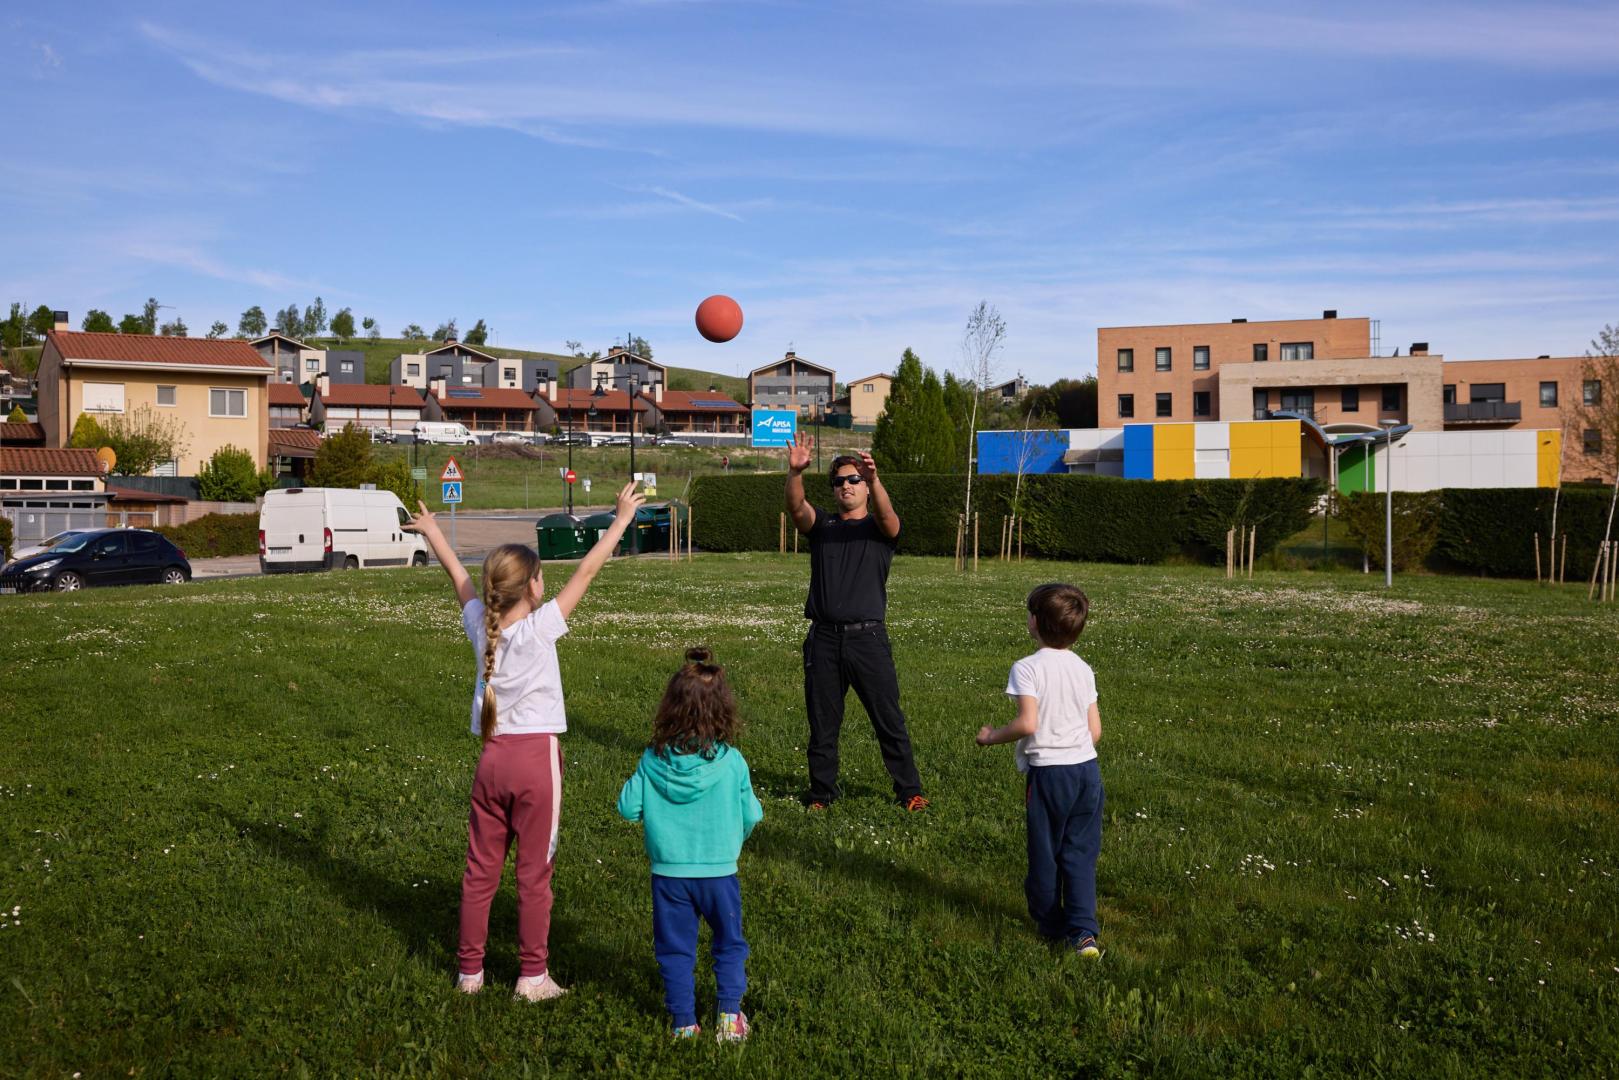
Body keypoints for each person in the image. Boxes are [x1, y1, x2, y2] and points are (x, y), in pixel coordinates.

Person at [405, 479, 645, 1000]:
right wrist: (622, 520)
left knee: (479, 872)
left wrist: (432, 532)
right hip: (538, 762)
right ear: (533, 587)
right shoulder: (540, 629)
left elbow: (458, 576)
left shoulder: (480, 627)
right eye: (541, 578)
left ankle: (469, 974)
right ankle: (532, 976)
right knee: (534, 876)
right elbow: (588, 569)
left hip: (491, 763)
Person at [618, 648, 763, 1042]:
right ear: (723, 710)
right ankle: (729, 1019)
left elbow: (627, 808)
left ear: (670, 708)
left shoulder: (653, 759)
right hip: (719, 872)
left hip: (669, 875)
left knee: (675, 949)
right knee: (729, 943)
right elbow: (752, 815)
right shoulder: (732, 761)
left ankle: (684, 1024)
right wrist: (733, 839)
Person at [785, 433, 926, 811]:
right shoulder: (823, 527)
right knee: (823, 725)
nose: (846, 486)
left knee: (889, 721)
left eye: (853, 479)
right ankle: (821, 795)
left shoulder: (880, 530)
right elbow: (797, 509)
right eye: (839, 481)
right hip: (824, 640)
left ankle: (909, 791)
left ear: (865, 486)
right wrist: (795, 472)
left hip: (868, 640)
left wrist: (877, 480)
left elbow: (889, 516)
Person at [975, 583, 1104, 959]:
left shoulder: (1027, 668)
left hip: (1050, 775)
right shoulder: (1083, 668)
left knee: (1045, 852)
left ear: (1034, 622)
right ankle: (1083, 935)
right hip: (1086, 771)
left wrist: (990, 736)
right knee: (1079, 852)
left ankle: (1050, 925)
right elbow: (1094, 731)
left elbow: (1028, 723)